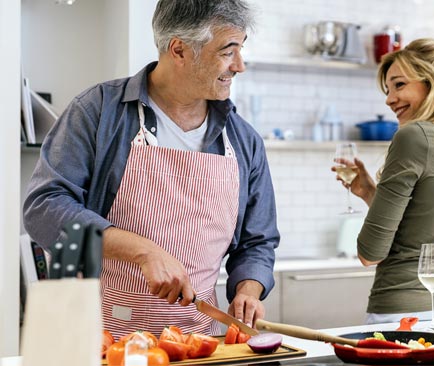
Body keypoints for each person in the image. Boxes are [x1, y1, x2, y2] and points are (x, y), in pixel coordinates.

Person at [23, 0, 279, 338]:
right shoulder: (98, 112)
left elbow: (257, 241)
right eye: (228, 51)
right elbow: (44, 208)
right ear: (179, 50)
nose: (239, 65)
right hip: (104, 337)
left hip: (200, 339)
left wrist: (248, 289)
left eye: (240, 49)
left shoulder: (243, 140)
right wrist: (141, 250)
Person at [334, 38, 434, 324]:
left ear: (432, 83)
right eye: (388, 90)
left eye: (399, 85)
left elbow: (370, 253)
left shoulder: (414, 136)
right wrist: (369, 192)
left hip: (404, 315)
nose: (389, 99)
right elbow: (422, 224)